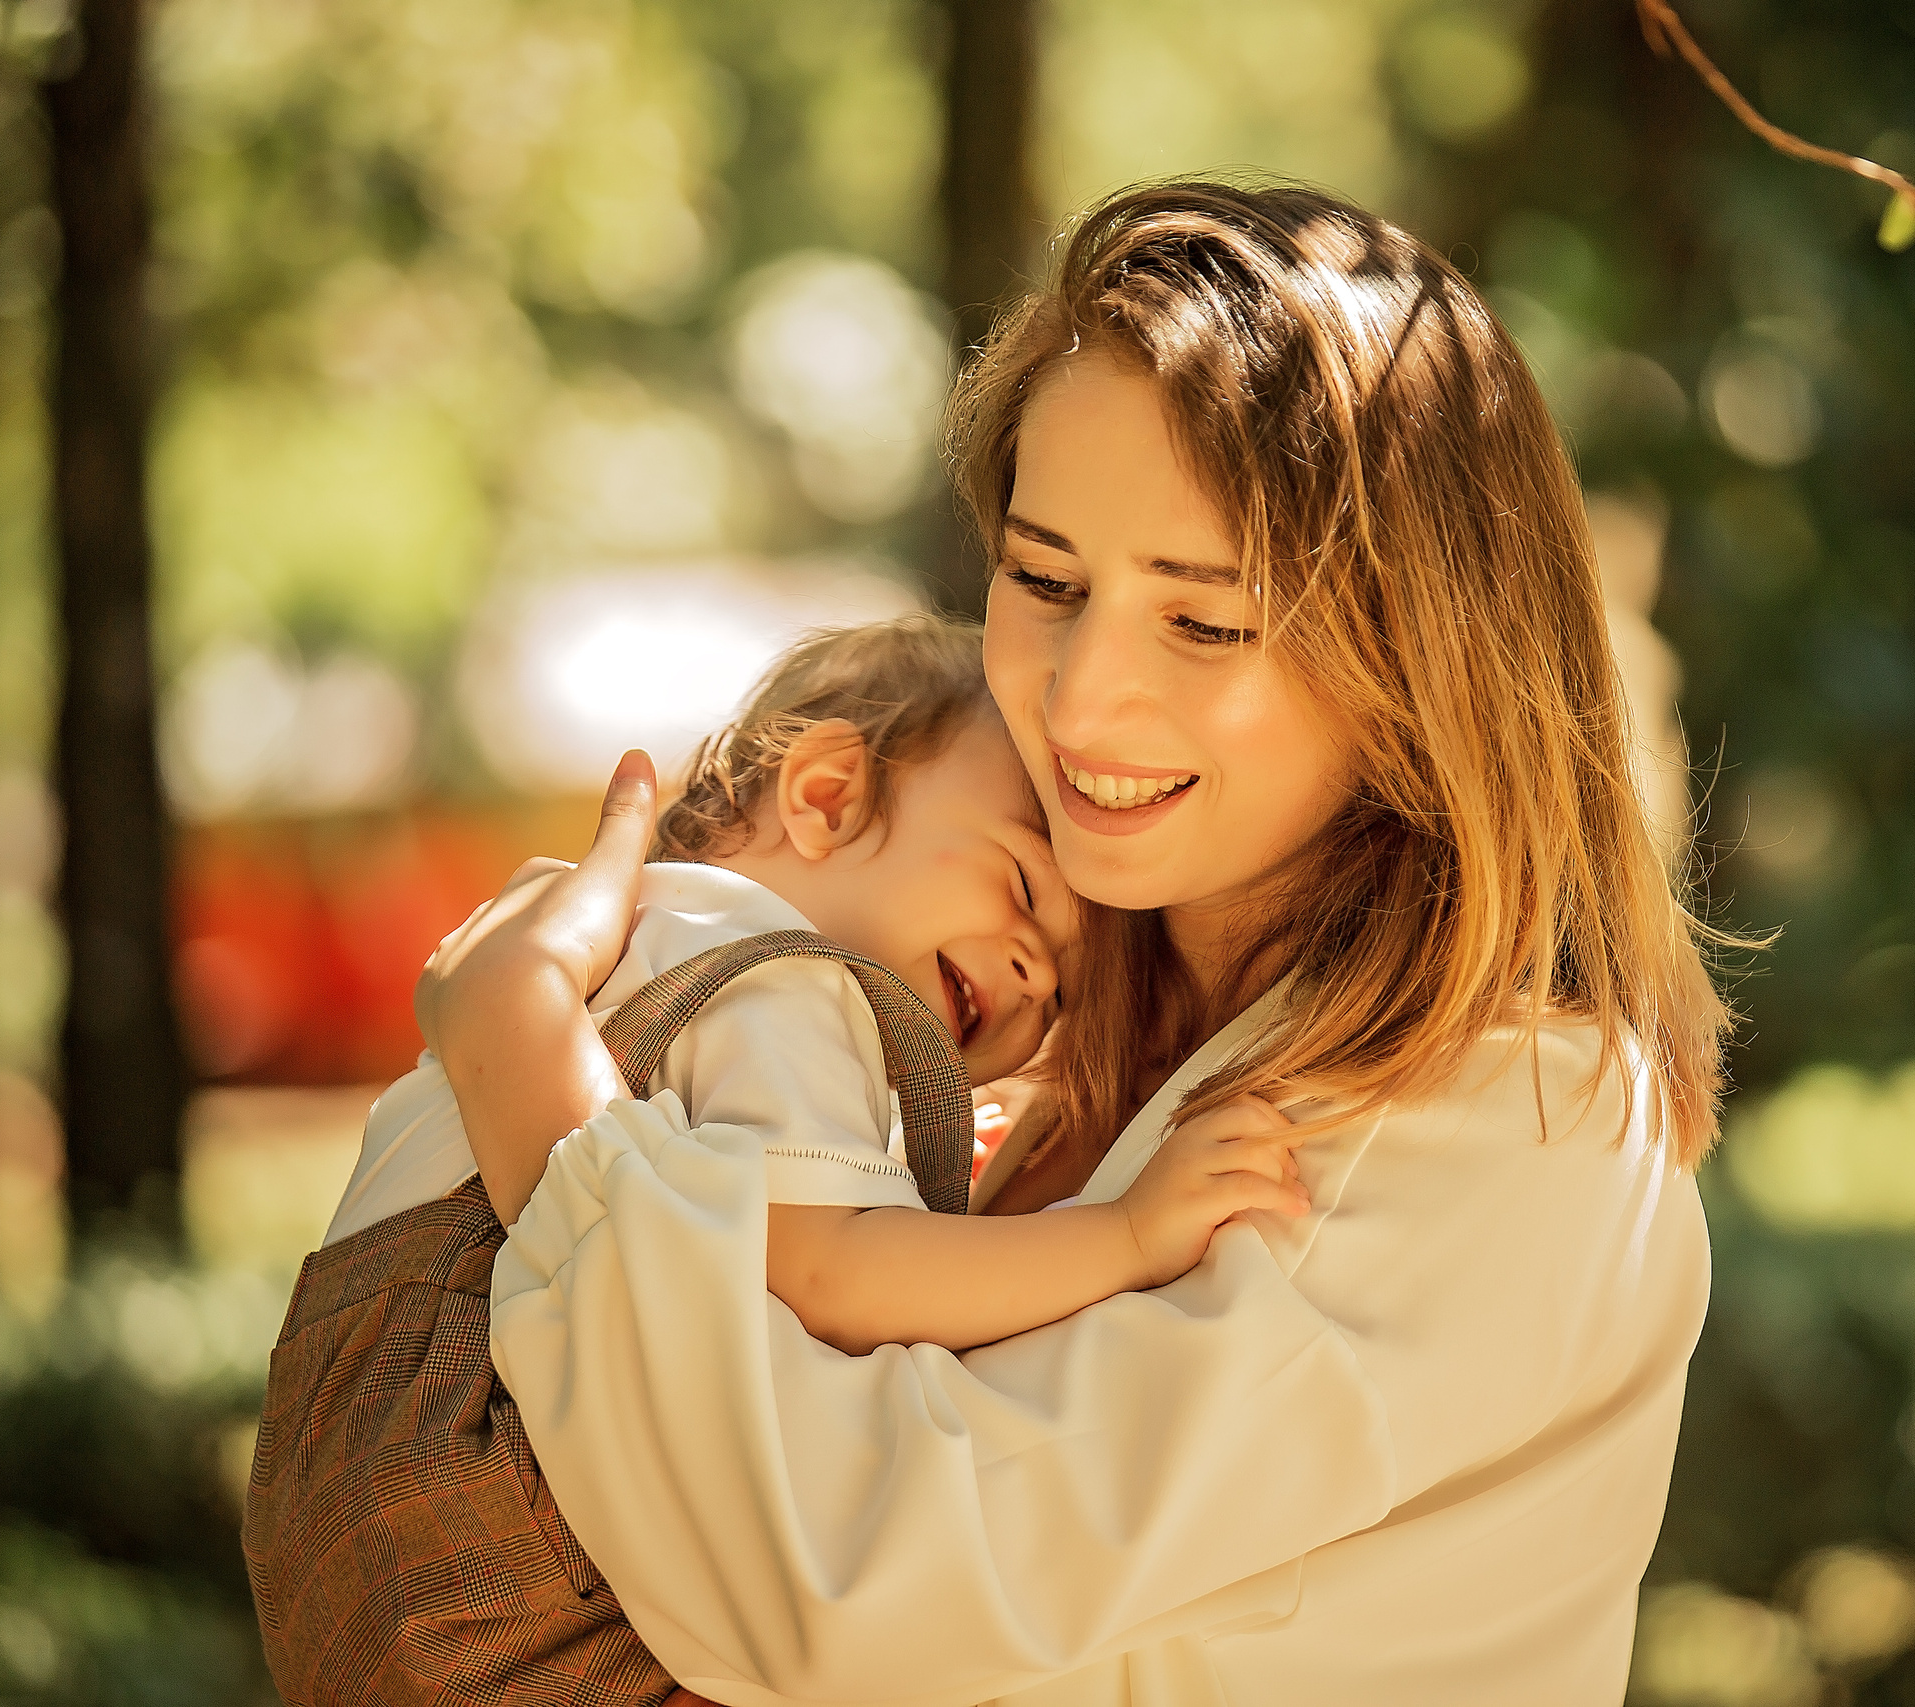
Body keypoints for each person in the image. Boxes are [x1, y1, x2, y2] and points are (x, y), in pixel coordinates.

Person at [425, 179, 1733, 1706]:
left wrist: (536, 1087)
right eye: (1046, 581)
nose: (1079, 693)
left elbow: (840, 1580)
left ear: (1414, 661)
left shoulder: (1514, 1123)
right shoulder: (1048, 1067)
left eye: (1207, 620)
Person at [245, 617, 1310, 1704]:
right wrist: (1121, 1235)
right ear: (826, 798)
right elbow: (828, 1274)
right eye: (1026, 891)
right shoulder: (788, 980)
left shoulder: (643, 950)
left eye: (1064, 998)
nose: (1036, 975)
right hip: (504, 1520)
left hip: (342, 1500)